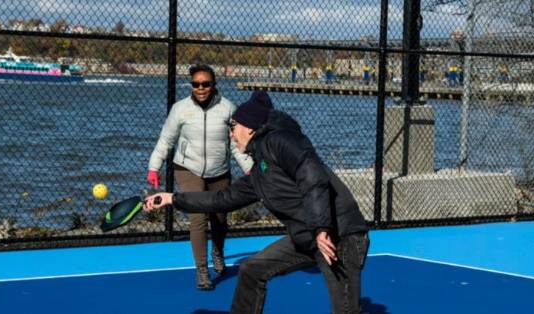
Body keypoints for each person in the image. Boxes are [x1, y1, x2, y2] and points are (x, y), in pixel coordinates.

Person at [144, 90, 369, 314]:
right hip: (308, 236)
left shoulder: (281, 141)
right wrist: (173, 198)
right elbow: (220, 199)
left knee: (346, 310)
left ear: (250, 128)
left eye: (233, 128)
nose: (231, 135)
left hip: (340, 236)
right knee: (252, 269)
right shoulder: (260, 172)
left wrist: (322, 228)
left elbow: (313, 178)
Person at [147, 64, 253, 290]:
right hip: (188, 169)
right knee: (197, 218)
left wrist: (249, 167)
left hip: (219, 171)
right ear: (191, 85)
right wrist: (154, 167)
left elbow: (235, 145)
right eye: (196, 84)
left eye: (206, 84)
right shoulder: (180, 109)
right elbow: (166, 140)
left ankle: (217, 251)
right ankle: (202, 270)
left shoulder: (227, 109)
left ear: (214, 85)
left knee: (220, 218)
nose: (201, 88)